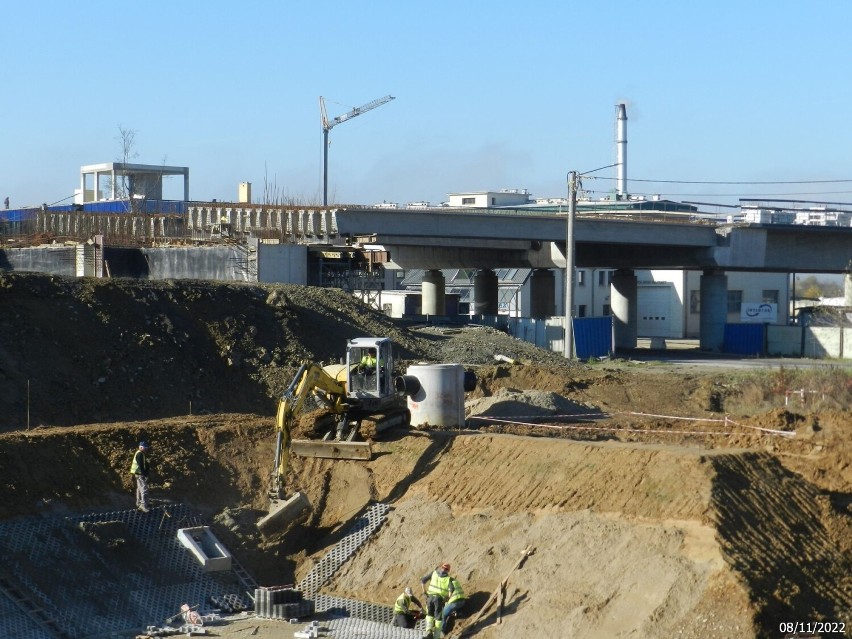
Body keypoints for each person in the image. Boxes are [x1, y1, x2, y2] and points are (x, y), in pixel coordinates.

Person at [420, 562, 454, 638]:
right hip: (439, 599)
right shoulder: (448, 579)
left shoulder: (434, 573)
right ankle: (436, 636)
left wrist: (424, 591)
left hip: (430, 597)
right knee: (438, 617)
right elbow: (451, 589)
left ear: (441, 567)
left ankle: (429, 631)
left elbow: (423, 581)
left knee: (429, 614)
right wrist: (448, 598)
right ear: (448, 570)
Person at [130, 441, 151, 512]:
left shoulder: (140, 453)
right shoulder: (140, 454)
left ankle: (139, 503)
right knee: (144, 489)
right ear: (141, 447)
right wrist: (144, 474)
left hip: (138, 474)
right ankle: (143, 505)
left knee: (139, 488)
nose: (146, 449)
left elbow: (144, 464)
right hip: (140, 474)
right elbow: (141, 465)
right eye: (145, 448)